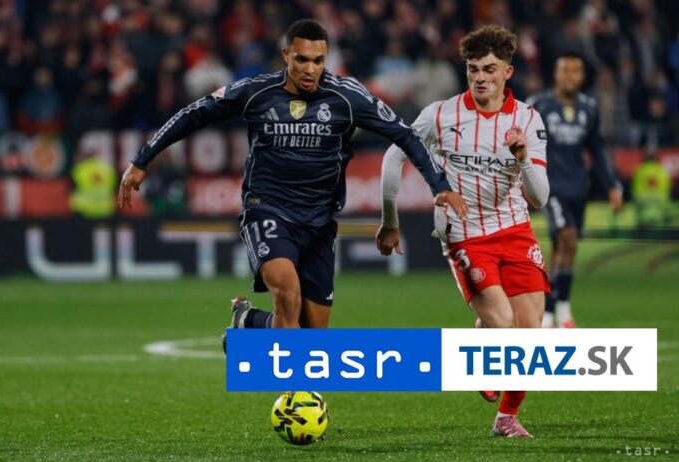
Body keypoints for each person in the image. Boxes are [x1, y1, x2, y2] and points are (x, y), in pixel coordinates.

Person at [117, 20, 466, 340]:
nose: (310, 69)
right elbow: (193, 114)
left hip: (319, 221)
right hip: (267, 210)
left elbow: (405, 135)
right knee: (287, 295)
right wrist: (142, 160)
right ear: (286, 56)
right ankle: (283, 385)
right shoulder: (256, 92)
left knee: (310, 334)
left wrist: (440, 186)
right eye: (301, 60)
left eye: (318, 61)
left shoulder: (347, 97)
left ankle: (248, 321)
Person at [376, 25, 549, 438]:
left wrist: (522, 157)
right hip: (465, 236)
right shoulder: (440, 114)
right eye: (473, 69)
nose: (480, 77)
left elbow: (540, 198)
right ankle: (487, 338)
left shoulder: (527, 119)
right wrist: (390, 220)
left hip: (515, 231)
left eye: (489, 69)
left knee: (530, 336)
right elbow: (393, 157)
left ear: (507, 72)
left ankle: (506, 419)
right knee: (505, 325)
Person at [528, 52, 623, 328]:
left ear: (582, 76)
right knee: (567, 238)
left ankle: (553, 310)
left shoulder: (589, 109)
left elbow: (597, 150)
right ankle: (557, 313)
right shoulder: (539, 106)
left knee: (564, 248)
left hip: (578, 188)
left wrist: (611, 185)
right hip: (550, 187)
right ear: (555, 74)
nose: (570, 76)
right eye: (565, 70)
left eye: (575, 71)